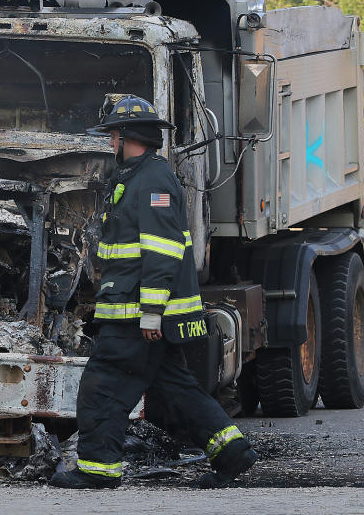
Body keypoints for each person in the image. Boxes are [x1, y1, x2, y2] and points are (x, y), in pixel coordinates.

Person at [49, 94, 257, 490]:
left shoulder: (153, 181)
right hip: (132, 310)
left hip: (136, 316)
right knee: (175, 392)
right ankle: (232, 453)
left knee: (103, 386)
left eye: (113, 135)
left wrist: (150, 314)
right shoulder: (135, 177)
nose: (110, 143)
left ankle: (97, 468)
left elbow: (162, 252)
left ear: (129, 135)